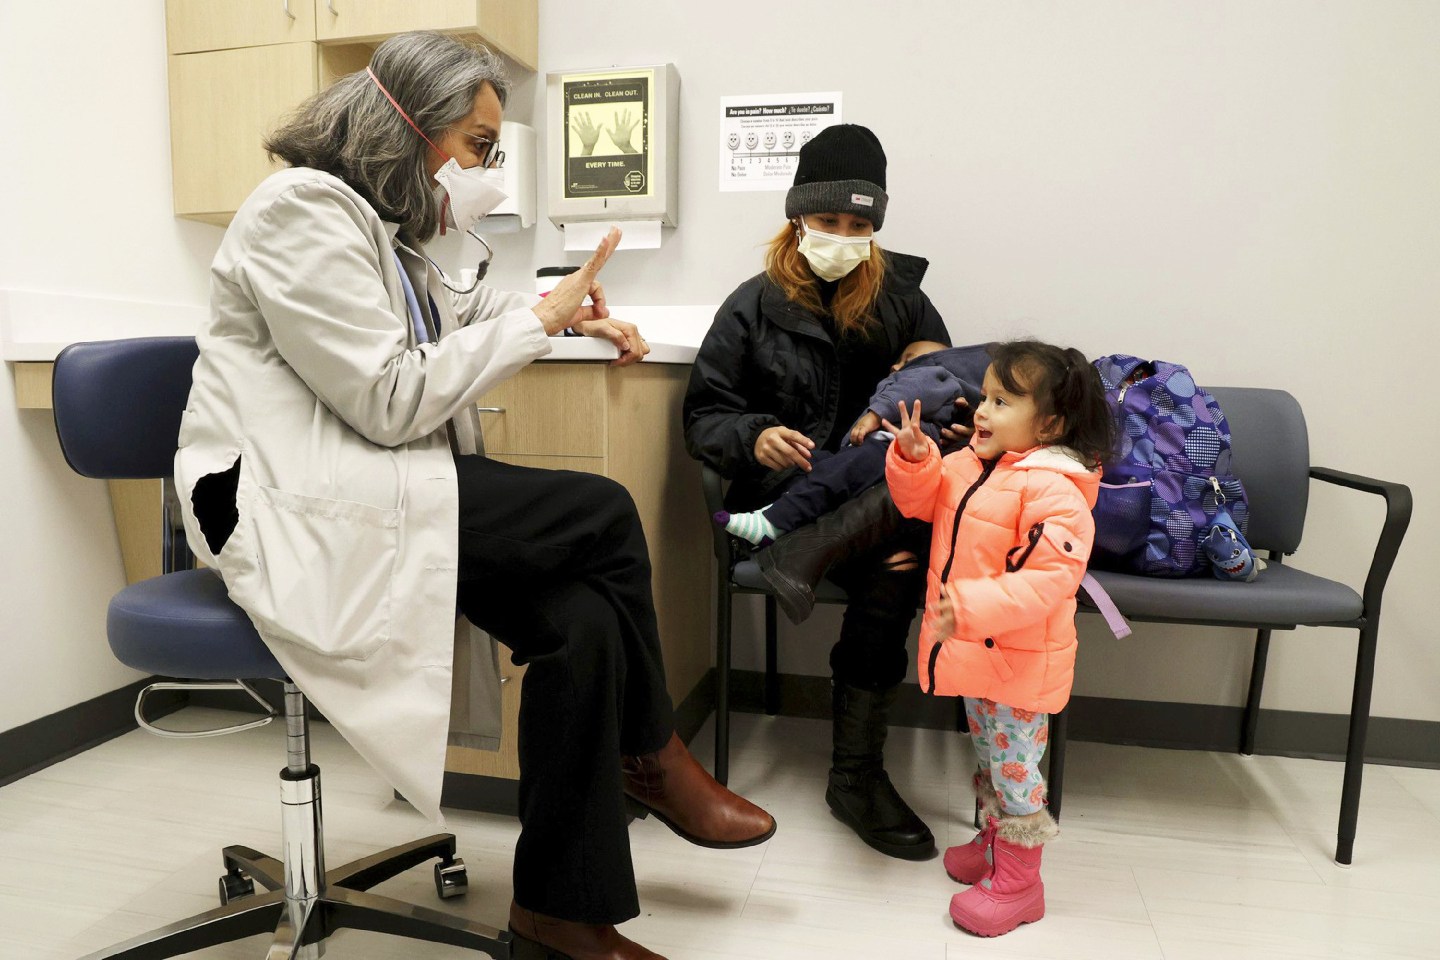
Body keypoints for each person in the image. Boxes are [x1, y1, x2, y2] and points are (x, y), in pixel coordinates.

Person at [174, 32, 773, 960]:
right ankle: (651, 752)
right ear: (405, 126)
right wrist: (539, 319)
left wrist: (563, 308)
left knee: (579, 622)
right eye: (478, 143)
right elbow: (387, 396)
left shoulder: (383, 233)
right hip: (287, 504)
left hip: (372, 489)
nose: (485, 167)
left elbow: (453, 317)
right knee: (603, 513)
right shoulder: (298, 210)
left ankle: (557, 916)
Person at [684, 123, 964, 861]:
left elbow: (952, 395)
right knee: (897, 553)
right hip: (786, 491)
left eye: (859, 224)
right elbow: (704, 416)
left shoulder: (905, 303)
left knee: (899, 557)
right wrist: (753, 436)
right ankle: (856, 773)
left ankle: (855, 775)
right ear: (796, 218)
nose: (843, 236)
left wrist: (925, 427)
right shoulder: (750, 306)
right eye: (828, 221)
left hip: (880, 497)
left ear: (876, 227)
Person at [882, 340, 1114, 937]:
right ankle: (992, 848)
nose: (982, 410)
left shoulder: (1056, 491)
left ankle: (1021, 884)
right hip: (979, 654)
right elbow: (922, 504)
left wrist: (973, 607)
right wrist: (913, 461)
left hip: (1018, 663)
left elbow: (1048, 581)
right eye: (985, 396)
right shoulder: (972, 464)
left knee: (1015, 769)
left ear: (1050, 424)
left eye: (1003, 401)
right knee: (989, 755)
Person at [715, 339, 988, 547]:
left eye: (908, 359)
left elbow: (914, 387)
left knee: (833, 474)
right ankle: (777, 510)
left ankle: (773, 522)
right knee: (812, 463)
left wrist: (875, 414)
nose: (896, 366)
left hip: (889, 452)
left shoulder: (933, 374)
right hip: (872, 453)